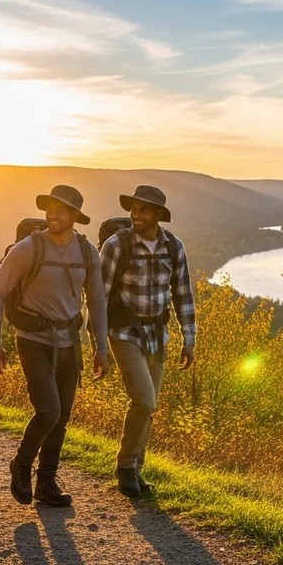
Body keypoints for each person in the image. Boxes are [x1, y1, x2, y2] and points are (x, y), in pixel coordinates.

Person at [0, 185, 109, 507]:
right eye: (50, 207)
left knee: (63, 415)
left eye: (62, 209)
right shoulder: (29, 248)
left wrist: (101, 347)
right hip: (33, 341)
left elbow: (96, 300)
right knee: (49, 411)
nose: (53, 214)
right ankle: (22, 465)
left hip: (70, 341)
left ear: (75, 217)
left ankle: (46, 482)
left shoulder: (87, 253)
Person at [99, 185, 196, 497]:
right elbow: (98, 296)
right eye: (134, 209)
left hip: (158, 334)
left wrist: (189, 338)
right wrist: (98, 343)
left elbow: (183, 293)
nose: (136, 215)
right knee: (144, 400)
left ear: (158, 216)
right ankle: (125, 466)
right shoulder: (116, 245)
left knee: (148, 406)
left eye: (144, 210)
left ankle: (137, 471)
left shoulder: (173, 247)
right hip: (124, 333)